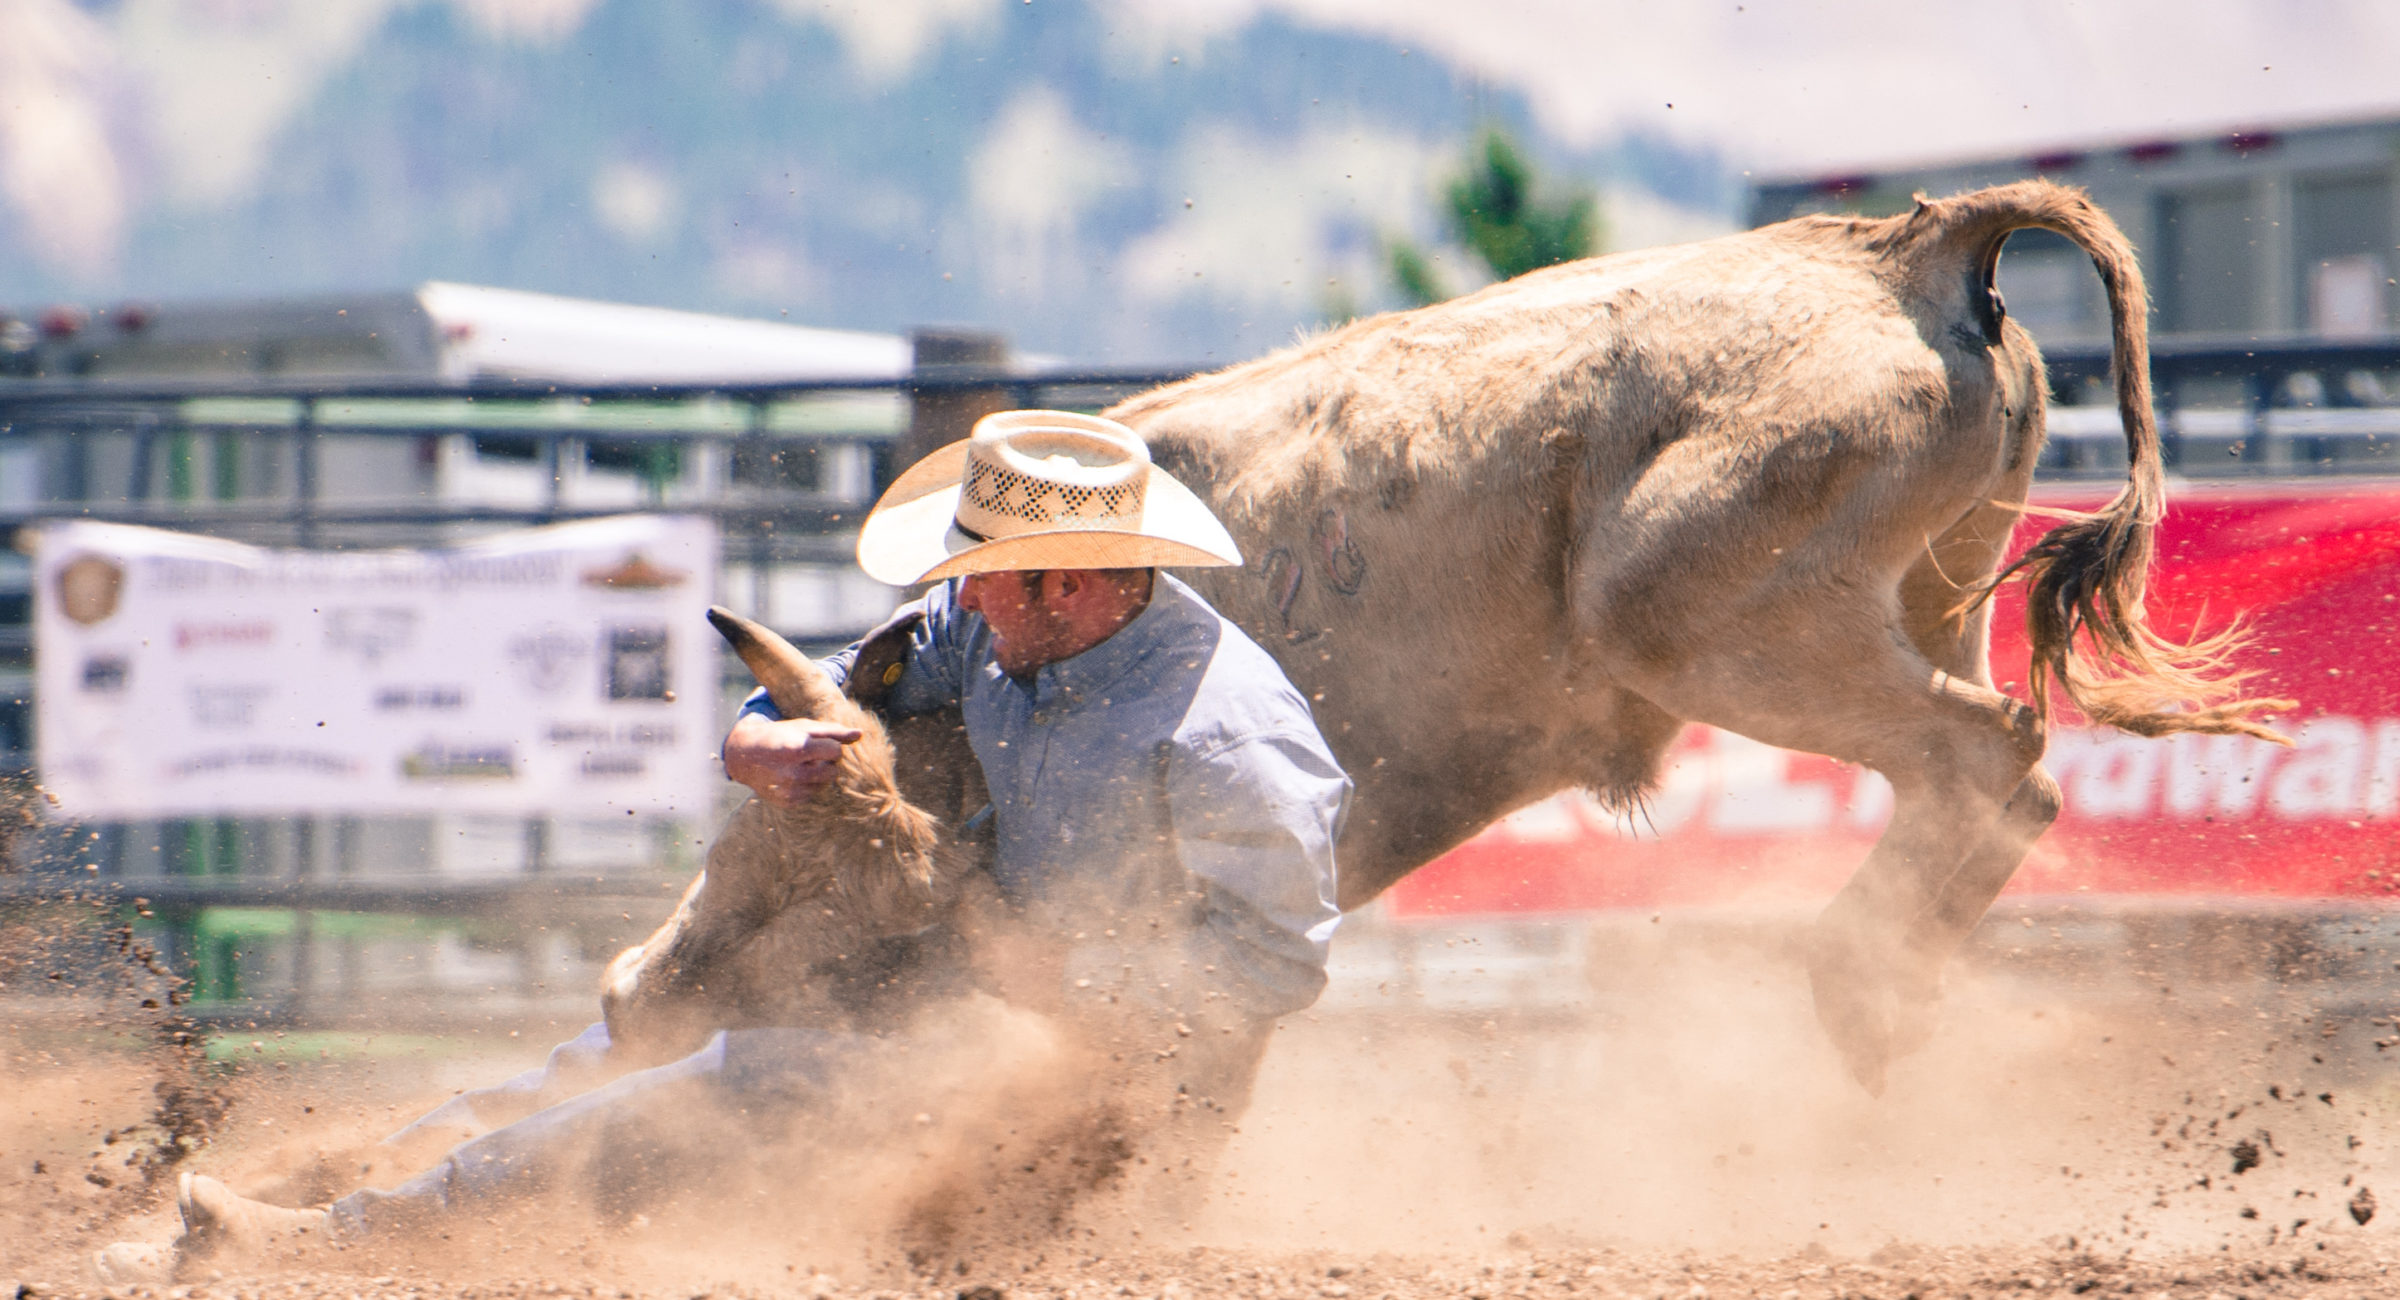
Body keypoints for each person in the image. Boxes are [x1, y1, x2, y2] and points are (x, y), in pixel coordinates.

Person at [97, 410, 1348, 1281]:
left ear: (1066, 585)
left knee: (738, 1079)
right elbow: (847, 675)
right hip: (972, 989)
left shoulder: (1229, 737)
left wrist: (1056, 979)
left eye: (983, 574)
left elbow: (1272, 962)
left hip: (1093, 1104)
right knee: (654, 1027)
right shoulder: (1002, 630)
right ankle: (339, 1185)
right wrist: (753, 741)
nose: (956, 594)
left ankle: (338, 1245)